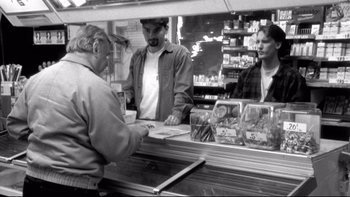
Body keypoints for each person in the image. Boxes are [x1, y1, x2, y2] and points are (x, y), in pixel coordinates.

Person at [6, 25, 149, 197]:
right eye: (107, 55)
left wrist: (47, 138)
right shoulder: (96, 88)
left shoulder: (36, 79)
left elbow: (15, 125)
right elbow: (116, 148)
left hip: (32, 184)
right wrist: (137, 134)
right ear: (96, 47)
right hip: (73, 189)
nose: (107, 63)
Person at [123, 17, 194, 125]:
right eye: (147, 30)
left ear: (166, 29)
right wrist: (124, 97)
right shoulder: (138, 56)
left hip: (166, 124)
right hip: (140, 122)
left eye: (156, 30)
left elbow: (183, 91)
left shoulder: (180, 55)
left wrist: (177, 114)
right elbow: (129, 88)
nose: (151, 36)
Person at [232, 24, 310, 102]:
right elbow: (234, 107)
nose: (259, 46)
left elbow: (299, 111)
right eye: (258, 42)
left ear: (278, 44)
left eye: (265, 42)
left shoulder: (292, 78)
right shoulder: (246, 75)